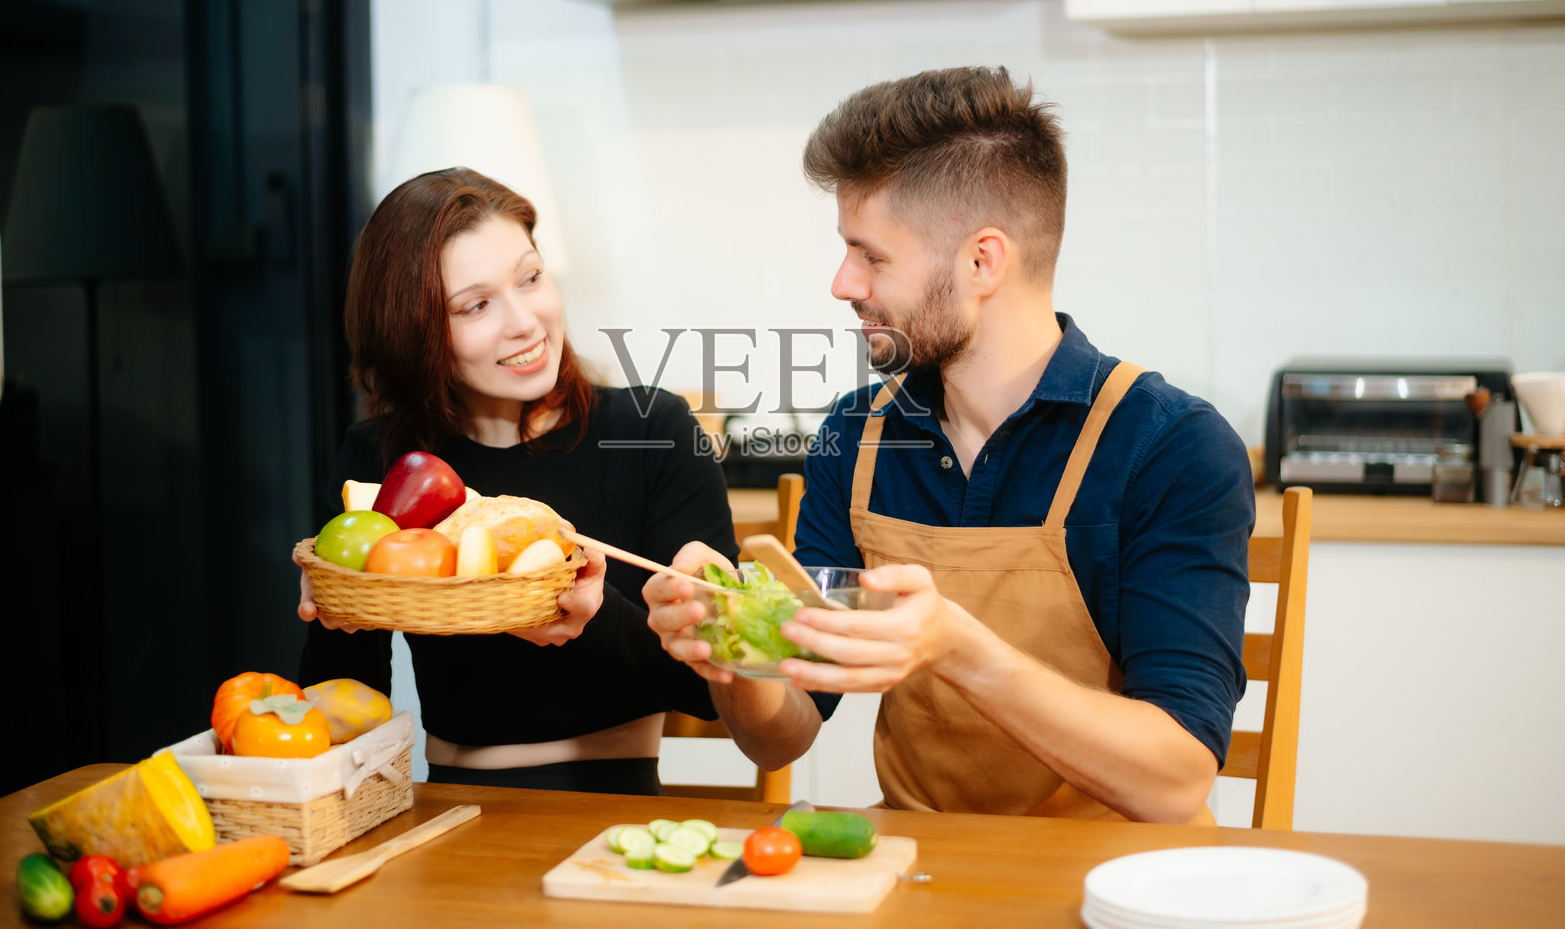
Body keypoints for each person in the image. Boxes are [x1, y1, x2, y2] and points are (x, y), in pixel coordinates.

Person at [644, 67, 1254, 824]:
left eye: (871, 255)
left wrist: (953, 646)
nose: (841, 282)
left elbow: (1175, 782)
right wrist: (732, 647)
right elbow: (785, 736)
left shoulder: (1168, 448)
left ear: (982, 262)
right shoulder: (854, 437)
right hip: (917, 865)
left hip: (1114, 878)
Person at [297, 166, 738, 796]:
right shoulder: (382, 457)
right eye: (476, 305)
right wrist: (336, 609)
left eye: (530, 278)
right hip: (444, 800)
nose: (525, 322)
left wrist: (592, 619)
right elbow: (345, 698)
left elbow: (712, 686)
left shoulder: (653, 429)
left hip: (616, 799)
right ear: (415, 336)